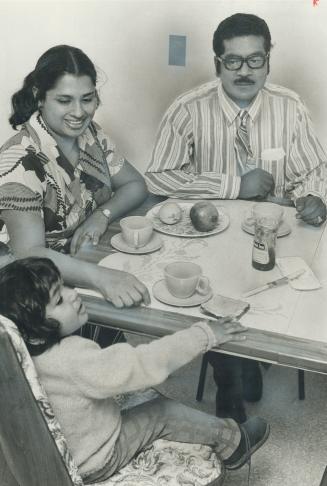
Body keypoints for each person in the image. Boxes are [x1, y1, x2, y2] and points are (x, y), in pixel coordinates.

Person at [145, 13, 327, 421]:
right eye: (233, 61)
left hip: (272, 235)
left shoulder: (289, 106)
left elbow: (314, 169)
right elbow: (158, 176)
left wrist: (316, 196)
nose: (244, 71)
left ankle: (251, 358)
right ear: (217, 64)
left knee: (290, 288)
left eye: (255, 60)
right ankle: (229, 377)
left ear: (268, 60)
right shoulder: (188, 109)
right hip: (209, 238)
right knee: (215, 290)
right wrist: (232, 185)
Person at [0, 257, 269, 482]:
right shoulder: (71, 357)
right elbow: (144, 363)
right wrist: (205, 334)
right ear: (36, 331)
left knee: (150, 399)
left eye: (66, 286)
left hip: (70, 448)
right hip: (97, 458)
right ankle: (236, 442)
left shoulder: (18, 352)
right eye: (59, 300)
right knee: (164, 411)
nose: (73, 294)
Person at [0, 45, 150, 318]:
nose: (79, 112)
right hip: (31, 297)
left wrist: (101, 216)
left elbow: (135, 185)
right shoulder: (19, 161)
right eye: (65, 100)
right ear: (39, 97)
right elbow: (28, 254)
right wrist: (102, 278)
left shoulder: (92, 135)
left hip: (80, 267)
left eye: (87, 98)